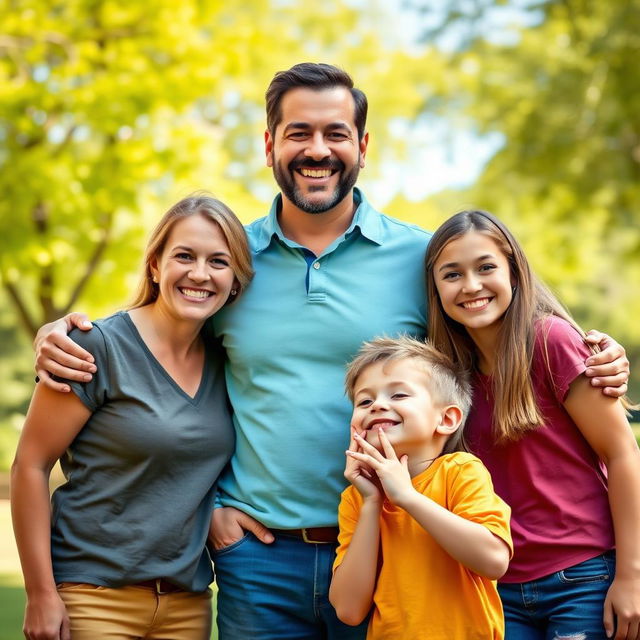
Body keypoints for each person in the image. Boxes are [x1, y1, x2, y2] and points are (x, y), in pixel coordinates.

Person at [33, 64, 631, 640]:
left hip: (395, 544)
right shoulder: (228, 261)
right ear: (269, 145)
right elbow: (159, 338)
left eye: (335, 133)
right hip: (258, 559)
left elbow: (496, 320)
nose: (316, 149)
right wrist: (60, 332)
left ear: (362, 146)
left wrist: (592, 347)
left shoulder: (420, 260)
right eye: (298, 133)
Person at [12, 195, 253, 640]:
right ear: (156, 265)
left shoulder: (229, 362)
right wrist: (40, 593)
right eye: (185, 256)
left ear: (234, 280)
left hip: (188, 605)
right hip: (91, 597)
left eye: (218, 261)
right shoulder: (94, 347)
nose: (200, 273)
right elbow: (30, 465)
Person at [425, 209, 640, 640]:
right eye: (452, 275)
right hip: (496, 586)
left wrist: (632, 576)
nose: (471, 286)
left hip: (581, 577)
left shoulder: (551, 341)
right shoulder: (446, 374)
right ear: (435, 290)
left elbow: (622, 454)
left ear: (515, 273)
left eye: (486, 268)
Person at [329, 336, 513, 639]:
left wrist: (408, 498)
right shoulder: (358, 498)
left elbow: (493, 561)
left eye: (399, 395)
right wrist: (373, 503)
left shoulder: (460, 473)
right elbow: (348, 611)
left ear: (447, 418)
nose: (377, 405)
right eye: (365, 401)